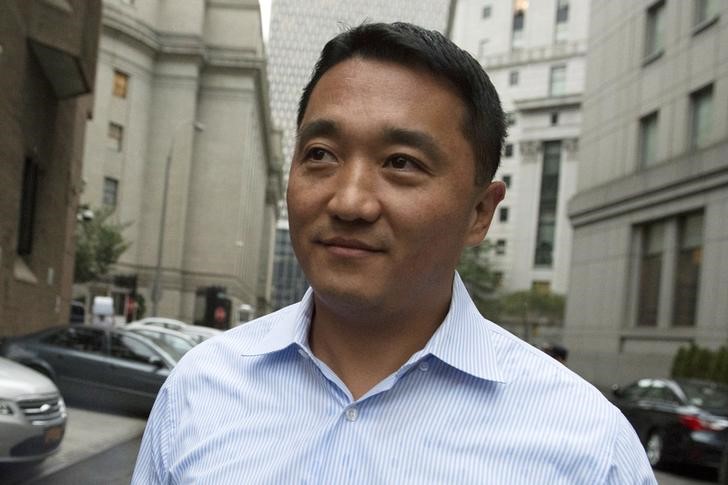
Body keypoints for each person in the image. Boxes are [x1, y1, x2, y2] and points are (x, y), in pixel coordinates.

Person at [132, 22, 656, 484]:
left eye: (401, 163)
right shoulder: (199, 390)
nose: (350, 201)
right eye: (320, 155)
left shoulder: (587, 448)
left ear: (480, 212)